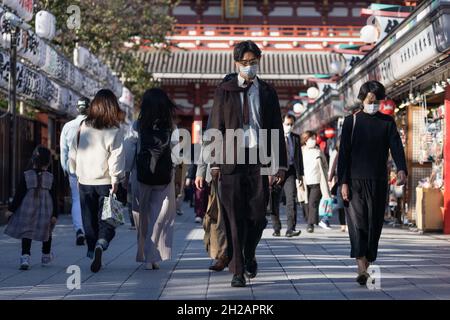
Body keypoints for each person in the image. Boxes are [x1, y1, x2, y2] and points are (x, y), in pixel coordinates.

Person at [207, 40, 287, 287]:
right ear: (236, 63)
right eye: (244, 63)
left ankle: (249, 253)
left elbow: (276, 127)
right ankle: (238, 270)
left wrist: (280, 165)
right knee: (233, 217)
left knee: (257, 216)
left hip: (258, 158)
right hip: (231, 160)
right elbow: (215, 126)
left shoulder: (267, 91)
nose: (249, 67)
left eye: (253, 63)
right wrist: (214, 162)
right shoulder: (225, 90)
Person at [337, 80, 407, 286]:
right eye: (370, 100)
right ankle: (361, 268)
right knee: (358, 224)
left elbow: (396, 147)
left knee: (374, 224)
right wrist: (343, 182)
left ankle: (366, 264)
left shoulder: (387, 122)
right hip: (355, 181)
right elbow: (343, 155)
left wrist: (401, 168)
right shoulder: (352, 121)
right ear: (362, 99)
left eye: (378, 100)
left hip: (378, 181)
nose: (374, 103)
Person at [69, 89, 126, 273]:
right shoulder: (114, 130)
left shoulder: (83, 126)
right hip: (106, 181)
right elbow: (116, 157)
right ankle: (102, 243)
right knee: (107, 217)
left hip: (85, 180)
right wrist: (116, 178)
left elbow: (73, 151)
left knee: (88, 219)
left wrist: (74, 172)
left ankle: (93, 246)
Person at [124, 88, 177, 270]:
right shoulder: (171, 126)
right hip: (164, 176)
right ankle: (153, 256)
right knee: (160, 216)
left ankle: (146, 253)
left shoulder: (137, 126)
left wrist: (125, 172)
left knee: (142, 215)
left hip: (141, 175)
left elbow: (129, 149)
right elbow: (177, 153)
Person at [5, 146, 58, 270]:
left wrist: (11, 210)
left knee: (27, 232)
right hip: (46, 210)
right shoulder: (50, 177)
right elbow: (54, 197)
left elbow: (19, 194)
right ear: (48, 162)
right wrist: (55, 214)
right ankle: (45, 255)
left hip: (27, 209)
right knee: (47, 231)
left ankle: (25, 257)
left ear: (33, 160)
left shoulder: (26, 175)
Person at [60, 97, 90, 246]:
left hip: (73, 168)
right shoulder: (94, 125)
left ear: (77, 108)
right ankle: (89, 228)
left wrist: (65, 168)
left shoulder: (68, 126)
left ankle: (79, 229)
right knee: (90, 200)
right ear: (89, 108)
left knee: (76, 199)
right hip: (91, 169)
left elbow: (63, 150)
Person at [270, 113, 304, 237]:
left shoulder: (295, 138)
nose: (289, 126)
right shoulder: (275, 137)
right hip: (276, 171)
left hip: (290, 171)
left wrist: (300, 175)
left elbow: (298, 157)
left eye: (291, 124)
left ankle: (291, 228)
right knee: (274, 200)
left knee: (291, 199)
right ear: (282, 124)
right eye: (287, 124)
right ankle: (276, 227)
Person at [301, 131, 331, 233]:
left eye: (314, 138)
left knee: (313, 202)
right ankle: (310, 219)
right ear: (306, 140)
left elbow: (325, 165)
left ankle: (310, 224)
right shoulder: (301, 151)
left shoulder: (319, 151)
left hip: (317, 181)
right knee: (305, 202)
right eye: (311, 139)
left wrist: (325, 175)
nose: (313, 141)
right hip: (304, 181)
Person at [328, 140, 346, 232]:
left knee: (342, 205)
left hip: (344, 181)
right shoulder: (338, 154)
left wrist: (330, 178)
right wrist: (330, 178)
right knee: (340, 205)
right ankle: (343, 225)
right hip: (340, 182)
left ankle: (344, 224)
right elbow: (333, 167)